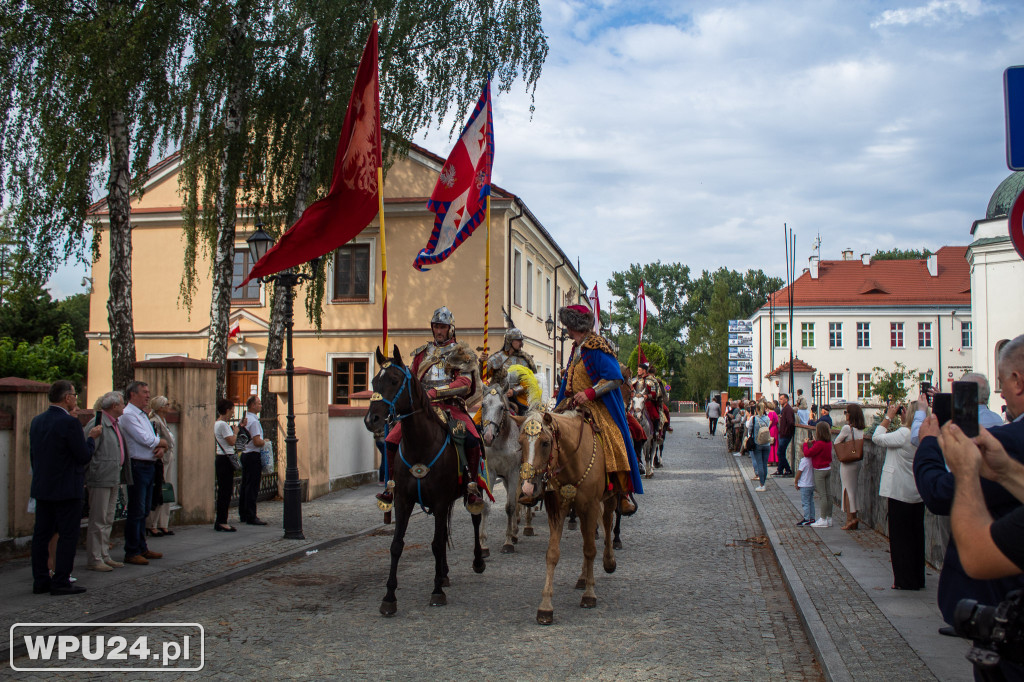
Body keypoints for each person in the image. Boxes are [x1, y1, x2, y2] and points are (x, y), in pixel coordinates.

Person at [914, 333, 1024, 633]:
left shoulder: (1014, 439)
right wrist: (1005, 472)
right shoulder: (1005, 439)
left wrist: (932, 448)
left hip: (1002, 599)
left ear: (1018, 381)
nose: (1001, 395)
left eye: (1002, 383)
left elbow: (940, 496)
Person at [379, 306, 485, 507]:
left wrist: (436, 392)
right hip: (420, 409)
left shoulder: (461, 353)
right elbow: (410, 380)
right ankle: (391, 486)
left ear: (450, 329)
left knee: (472, 438)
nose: (438, 331)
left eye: (442, 327)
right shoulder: (421, 354)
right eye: (436, 326)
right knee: (391, 439)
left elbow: (465, 383)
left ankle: (471, 487)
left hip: (449, 407)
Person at [555, 304, 643, 515]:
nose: (565, 328)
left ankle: (621, 492)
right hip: (571, 404)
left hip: (596, 405)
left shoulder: (596, 346)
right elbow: (568, 379)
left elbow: (615, 378)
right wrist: (556, 406)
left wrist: (589, 393)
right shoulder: (577, 348)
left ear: (573, 324)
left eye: (567, 324)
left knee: (616, 437)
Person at [29, 380, 101, 595]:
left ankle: (41, 579)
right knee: (67, 535)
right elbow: (83, 456)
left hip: (43, 486)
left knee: (41, 535)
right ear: (67, 398)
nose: (75, 400)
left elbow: (34, 455)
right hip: (67, 487)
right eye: (74, 395)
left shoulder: (37, 421)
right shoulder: (70, 423)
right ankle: (61, 580)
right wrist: (91, 439)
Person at [874, 401, 925, 589]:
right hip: (917, 491)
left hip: (899, 492)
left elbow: (877, 438)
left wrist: (889, 416)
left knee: (900, 538)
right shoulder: (921, 434)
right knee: (916, 537)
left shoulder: (905, 434)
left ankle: (904, 579)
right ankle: (918, 577)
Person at [121, 381, 168, 566]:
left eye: (148, 392)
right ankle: (132, 550)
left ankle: (141, 546)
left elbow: (154, 440)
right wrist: (161, 443)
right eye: (144, 392)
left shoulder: (143, 415)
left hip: (149, 464)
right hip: (137, 465)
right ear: (133, 394)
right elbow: (146, 439)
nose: (148, 396)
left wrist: (161, 448)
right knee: (137, 509)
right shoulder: (128, 415)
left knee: (145, 508)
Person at [84, 391, 131, 572]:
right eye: (121, 404)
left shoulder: (114, 423)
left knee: (108, 518)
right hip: (100, 477)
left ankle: (104, 554)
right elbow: (88, 452)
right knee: (98, 519)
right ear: (113, 406)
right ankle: (95, 557)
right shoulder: (97, 423)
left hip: (113, 476)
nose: (123, 407)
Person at [482, 327, 538, 415]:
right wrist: (482, 363)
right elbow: (482, 376)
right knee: (477, 421)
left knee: (528, 420)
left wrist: (514, 391)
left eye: (521, 340)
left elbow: (529, 382)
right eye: (518, 340)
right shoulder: (497, 358)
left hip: (518, 399)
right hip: (496, 396)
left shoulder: (525, 360)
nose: (521, 343)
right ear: (510, 341)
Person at [147, 395, 176, 536]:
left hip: (168, 456)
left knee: (166, 490)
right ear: (160, 407)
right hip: (161, 458)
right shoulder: (154, 421)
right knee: (159, 489)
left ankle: (163, 523)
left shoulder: (163, 421)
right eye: (166, 404)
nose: (168, 406)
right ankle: (152, 524)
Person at [836, 403, 865, 530]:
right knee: (853, 489)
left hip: (847, 462)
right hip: (856, 461)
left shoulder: (847, 429)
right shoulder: (860, 429)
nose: (845, 414)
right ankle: (854, 516)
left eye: (846, 412)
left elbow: (836, 442)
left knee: (847, 490)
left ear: (851, 414)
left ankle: (850, 519)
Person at [238, 395, 267, 525]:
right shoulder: (254, 421)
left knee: (245, 485)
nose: (261, 405)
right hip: (252, 454)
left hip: (244, 454)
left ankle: (243, 513)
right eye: (259, 403)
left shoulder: (244, 419)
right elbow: (256, 441)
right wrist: (265, 442)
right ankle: (251, 515)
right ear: (253, 406)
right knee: (252, 486)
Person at [213, 398, 239, 532]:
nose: (233, 414)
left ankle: (221, 520)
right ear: (227, 410)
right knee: (225, 491)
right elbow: (231, 441)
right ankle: (222, 521)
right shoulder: (222, 425)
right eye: (232, 411)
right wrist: (235, 432)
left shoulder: (217, 424)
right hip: (225, 459)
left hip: (221, 458)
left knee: (224, 490)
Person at [805, 421, 835, 528]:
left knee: (823, 495)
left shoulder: (819, 444)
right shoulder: (828, 443)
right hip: (827, 468)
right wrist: (814, 443)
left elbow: (808, 453)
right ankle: (829, 518)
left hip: (819, 470)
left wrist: (805, 444)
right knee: (828, 494)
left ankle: (823, 518)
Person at [795, 438, 815, 526]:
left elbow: (799, 472)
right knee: (811, 502)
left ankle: (806, 518)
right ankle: (812, 517)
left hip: (804, 484)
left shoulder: (804, 461)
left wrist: (796, 481)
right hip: (811, 484)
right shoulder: (812, 460)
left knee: (805, 503)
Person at [751, 403, 771, 491]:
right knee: (764, 464)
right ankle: (764, 482)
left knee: (759, 464)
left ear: (756, 409)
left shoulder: (754, 419)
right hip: (766, 443)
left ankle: (762, 484)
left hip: (757, 443)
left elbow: (749, 429)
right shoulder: (767, 418)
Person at [774, 393, 795, 477]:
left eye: (781, 399)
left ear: (786, 399)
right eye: (779, 399)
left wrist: (786, 431)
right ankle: (780, 470)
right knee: (781, 452)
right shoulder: (784, 409)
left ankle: (788, 469)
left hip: (786, 434)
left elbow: (790, 422)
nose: (780, 400)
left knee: (780, 452)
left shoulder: (788, 409)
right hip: (783, 433)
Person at [767, 400, 780, 467]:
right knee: (775, 444)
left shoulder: (770, 414)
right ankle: (776, 459)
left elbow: (770, 422)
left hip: (771, 429)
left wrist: (767, 428)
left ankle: (771, 460)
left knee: (771, 444)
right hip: (775, 429)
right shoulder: (775, 413)